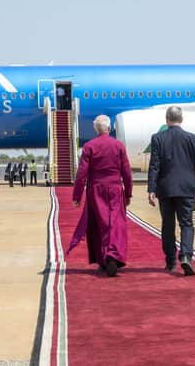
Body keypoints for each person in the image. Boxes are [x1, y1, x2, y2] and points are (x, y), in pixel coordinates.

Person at [68, 115, 133, 277]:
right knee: (116, 224)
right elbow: (127, 172)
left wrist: (77, 196)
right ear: (109, 128)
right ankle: (113, 255)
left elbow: (81, 173)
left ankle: (103, 260)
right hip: (115, 189)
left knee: (98, 224)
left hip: (96, 189)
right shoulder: (118, 146)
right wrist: (128, 193)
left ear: (96, 129)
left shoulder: (89, 146)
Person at [148, 106, 195, 276]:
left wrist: (151, 188)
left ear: (167, 119)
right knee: (186, 224)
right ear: (182, 119)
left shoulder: (158, 138)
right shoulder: (192, 139)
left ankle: (171, 260)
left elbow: (154, 165)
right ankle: (186, 255)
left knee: (168, 225)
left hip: (166, 188)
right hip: (187, 188)